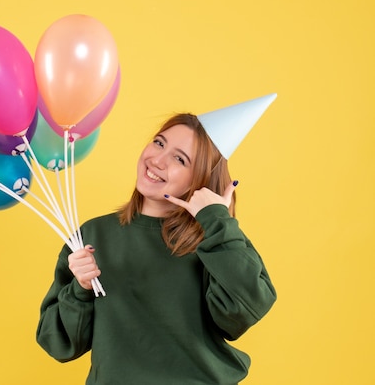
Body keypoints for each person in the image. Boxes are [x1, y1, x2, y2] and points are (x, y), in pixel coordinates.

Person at [36, 100, 277, 384]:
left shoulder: (214, 238)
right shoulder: (92, 235)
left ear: (197, 180)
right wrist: (81, 288)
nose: (158, 161)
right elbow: (56, 342)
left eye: (180, 159)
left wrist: (217, 219)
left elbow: (246, 310)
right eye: (159, 143)